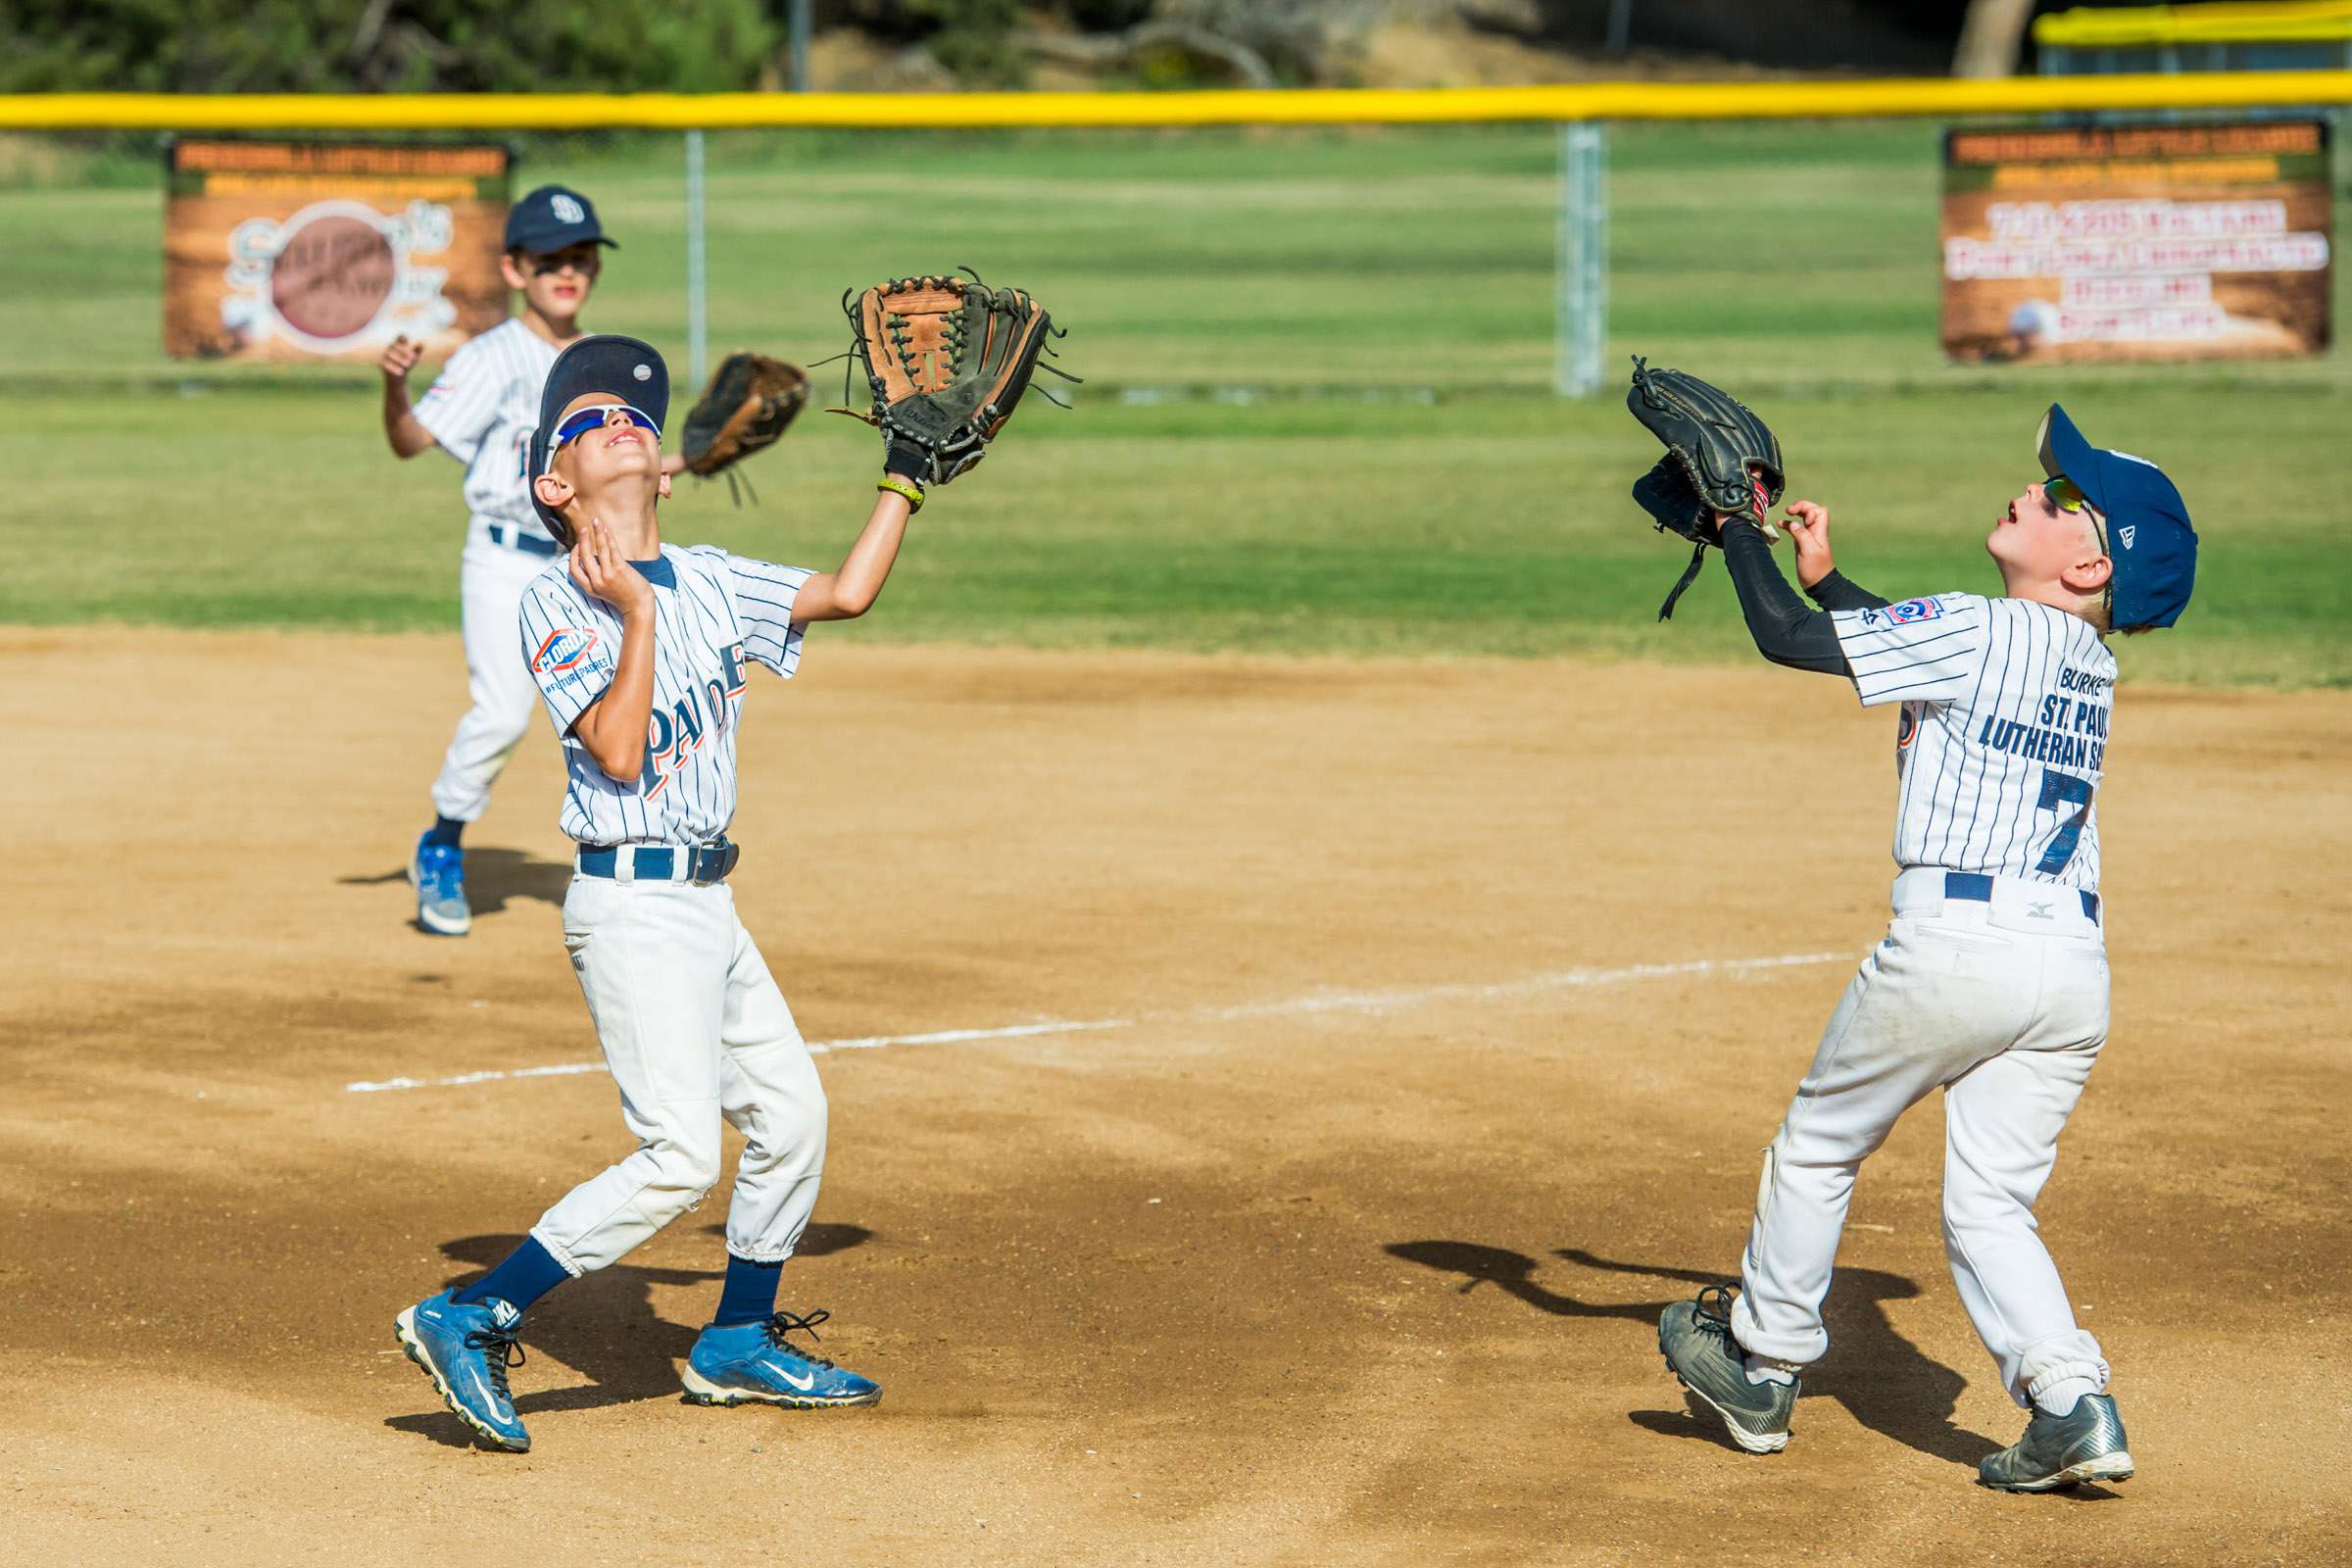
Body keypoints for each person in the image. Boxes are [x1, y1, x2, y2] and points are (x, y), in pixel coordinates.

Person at [393, 334, 935, 1451]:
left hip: (710, 907)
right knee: (680, 1155)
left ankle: (734, 1342)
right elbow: (624, 752)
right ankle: (465, 1310)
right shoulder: (552, 602)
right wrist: (635, 615)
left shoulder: (714, 575)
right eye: (594, 421)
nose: (628, 421)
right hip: (630, 907)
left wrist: (906, 474)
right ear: (555, 481)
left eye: (637, 413)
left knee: (790, 1117)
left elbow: (846, 592)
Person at [1654, 404, 2197, 1493]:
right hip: (2068, 974)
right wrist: (1828, 578)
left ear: (2089, 560)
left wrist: (1737, 526)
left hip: (1956, 951)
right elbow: (1918, 666)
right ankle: (2072, 1404)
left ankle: (1761, 1363)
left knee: (1819, 1143)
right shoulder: (2081, 663)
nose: (2034, 490)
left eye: (2063, 497)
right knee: (1991, 1203)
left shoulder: (1980, 628)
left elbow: (1788, 645)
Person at [377, 184, 682, 935]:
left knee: (643, 699)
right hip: (505, 561)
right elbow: (412, 441)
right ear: (515, 270)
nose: (567, 272)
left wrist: (686, 458)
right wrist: (393, 386)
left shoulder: (600, 365)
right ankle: (442, 844)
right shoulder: (493, 357)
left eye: (580, 258)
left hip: (589, 561)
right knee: (504, 713)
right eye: (549, 260)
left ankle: (647, 861)